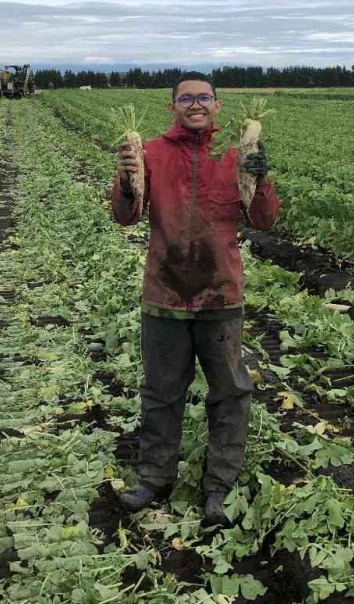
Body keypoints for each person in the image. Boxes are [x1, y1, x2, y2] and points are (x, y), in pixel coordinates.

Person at [111, 73, 280, 524]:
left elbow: (262, 219)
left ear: (217, 106)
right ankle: (154, 478)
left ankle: (219, 486)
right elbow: (126, 216)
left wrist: (260, 179)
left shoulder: (234, 155)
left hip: (220, 293)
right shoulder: (150, 153)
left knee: (229, 392)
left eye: (204, 97)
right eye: (186, 98)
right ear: (173, 107)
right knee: (161, 392)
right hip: (164, 292)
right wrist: (127, 180)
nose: (196, 104)